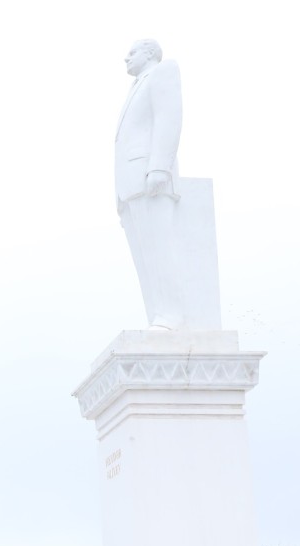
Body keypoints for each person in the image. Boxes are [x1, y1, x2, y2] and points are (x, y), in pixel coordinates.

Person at [114, 38, 186, 330]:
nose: (125, 58)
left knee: (159, 247)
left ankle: (172, 316)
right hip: (130, 184)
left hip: (150, 176)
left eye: (132, 52)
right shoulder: (137, 85)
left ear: (149, 53)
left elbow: (169, 118)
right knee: (144, 256)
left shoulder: (163, 71)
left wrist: (159, 167)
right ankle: (158, 315)